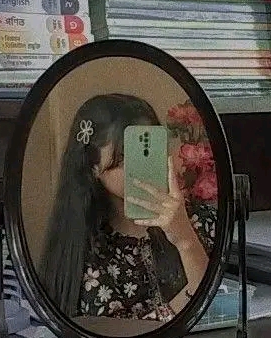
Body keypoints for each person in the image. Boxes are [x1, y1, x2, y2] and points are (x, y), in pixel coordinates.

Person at [38, 93, 217, 323]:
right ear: (93, 165)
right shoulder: (87, 250)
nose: (138, 167)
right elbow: (121, 335)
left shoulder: (201, 220)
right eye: (124, 158)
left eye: (147, 153)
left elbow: (224, 302)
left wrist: (186, 240)